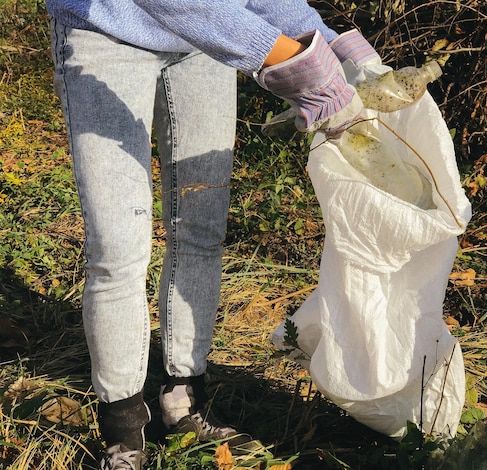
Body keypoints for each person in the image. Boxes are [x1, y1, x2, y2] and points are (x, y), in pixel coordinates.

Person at [45, 0, 383, 468]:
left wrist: (335, 46)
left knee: (200, 232)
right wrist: (289, 58)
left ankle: (182, 401)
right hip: (103, 32)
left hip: (203, 49)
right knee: (117, 244)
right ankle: (123, 429)